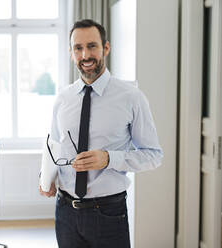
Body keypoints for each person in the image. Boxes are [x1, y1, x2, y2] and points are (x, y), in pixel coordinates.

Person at [39, 19, 163, 248]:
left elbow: (153, 155)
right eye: (78, 48)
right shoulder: (62, 99)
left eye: (92, 46)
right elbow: (54, 146)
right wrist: (47, 178)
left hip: (108, 213)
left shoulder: (131, 97)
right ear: (71, 52)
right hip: (65, 212)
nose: (85, 54)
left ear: (105, 48)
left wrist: (108, 158)